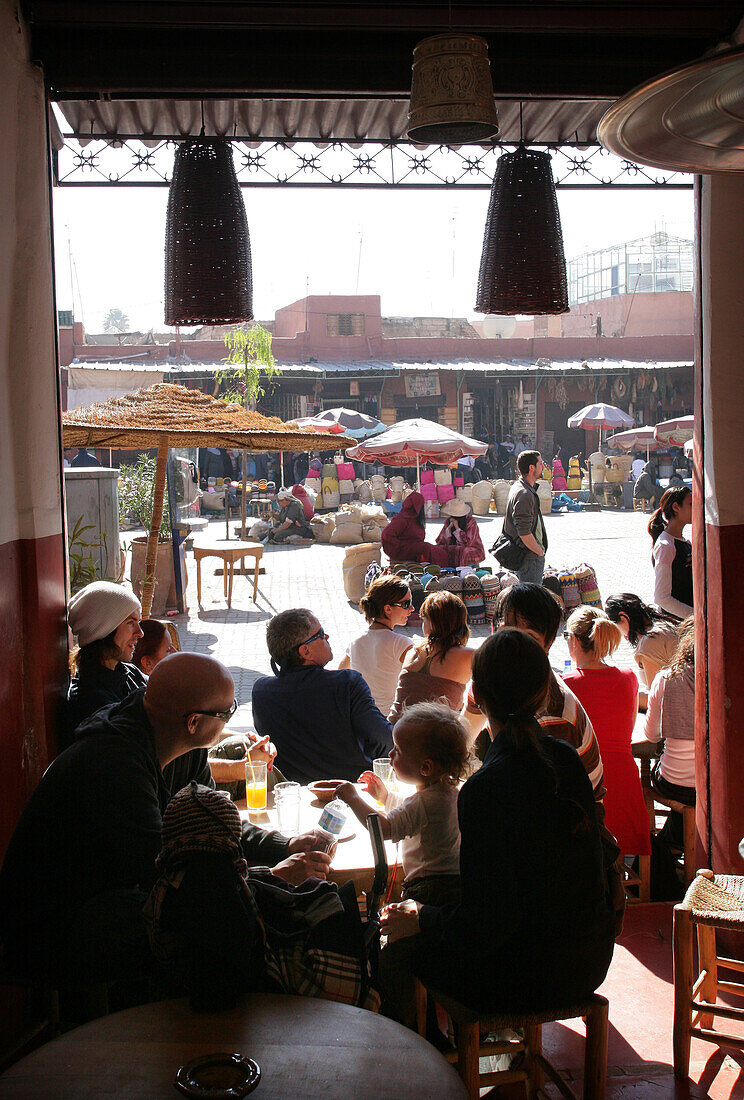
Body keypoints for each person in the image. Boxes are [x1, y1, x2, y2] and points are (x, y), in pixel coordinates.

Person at [0, 654, 332, 983]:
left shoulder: (182, 744)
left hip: (117, 894)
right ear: (194, 722)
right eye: (227, 711)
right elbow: (168, 875)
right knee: (208, 929)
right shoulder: (114, 765)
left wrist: (283, 845)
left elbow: (210, 827)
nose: (230, 721)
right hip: (55, 923)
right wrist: (270, 876)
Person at [381, 630, 615, 1024]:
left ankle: (426, 1066)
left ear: (476, 695)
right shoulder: (564, 759)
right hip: (587, 963)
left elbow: (486, 924)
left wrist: (420, 914)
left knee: (394, 947)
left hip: (520, 979)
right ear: (543, 693)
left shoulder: (486, 787)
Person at [335, 702, 468, 907]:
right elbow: (411, 815)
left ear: (425, 767)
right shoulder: (446, 793)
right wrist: (385, 797)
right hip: (453, 884)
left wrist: (352, 798)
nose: (390, 754)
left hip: (430, 888)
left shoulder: (426, 801)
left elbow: (385, 829)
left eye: (398, 750)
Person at [251, 609, 393, 783]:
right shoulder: (347, 683)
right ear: (305, 651)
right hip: (352, 791)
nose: (327, 637)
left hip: (292, 792)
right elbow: (383, 740)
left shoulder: (261, 691)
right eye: (320, 634)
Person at [563, 607, 650, 860]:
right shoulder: (629, 678)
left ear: (576, 640)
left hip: (587, 782)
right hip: (624, 781)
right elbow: (628, 729)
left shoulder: (567, 684)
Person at [63, 580, 146, 748]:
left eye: (139, 622)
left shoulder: (128, 672)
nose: (140, 633)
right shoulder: (91, 699)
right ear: (105, 630)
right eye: (131, 623)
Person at [644, 617, 696, 846]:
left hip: (673, 782)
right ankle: (680, 842)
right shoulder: (724, 677)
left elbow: (651, 735)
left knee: (661, 769)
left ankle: (672, 844)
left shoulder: (665, 678)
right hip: (713, 783)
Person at [388, 591, 475, 724]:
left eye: (424, 619)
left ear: (433, 623)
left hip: (395, 731)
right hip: (432, 738)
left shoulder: (413, 652)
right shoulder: (468, 656)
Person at [338, 574, 413, 717]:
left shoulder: (355, 641)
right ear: (388, 609)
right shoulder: (402, 644)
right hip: (391, 721)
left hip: (362, 718)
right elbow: (419, 681)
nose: (412, 608)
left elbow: (341, 673)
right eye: (406, 604)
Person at [605, 593, 679, 698]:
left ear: (624, 617)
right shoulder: (664, 624)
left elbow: (657, 697)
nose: (620, 634)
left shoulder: (650, 641)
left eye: (616, 627)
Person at [501, 449, 548, 584]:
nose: (543, 466)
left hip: (525, 555)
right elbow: (524, 532)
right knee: (531, 600)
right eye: (540, 463)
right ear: (531, 467)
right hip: (529, 557)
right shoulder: (524, 493)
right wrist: (539, 552)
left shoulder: (520, 486)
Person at [649, 486, 693, 619]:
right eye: (691, 504)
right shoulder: (665, 546)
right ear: (676, 507)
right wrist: (695, 616)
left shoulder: (684, 542)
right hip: (677, 625)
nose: (696, 508)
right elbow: (662, 598)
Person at [380, 491, 448, 566]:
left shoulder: (415, 519)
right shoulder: (402, 518)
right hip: (401, 551)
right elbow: (386, 534)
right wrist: (400, 547)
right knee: (427, 548)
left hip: (412, 550)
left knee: (437, 550)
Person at [434, 501, 485, 566]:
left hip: (472, 549)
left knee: (463, 551)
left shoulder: (471, 522)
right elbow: (441, 541)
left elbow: (468, 543)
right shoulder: (448, 521)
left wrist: (457, 528)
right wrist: (449, 528)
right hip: (455, 548)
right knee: (439, 549)